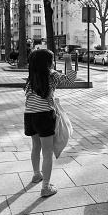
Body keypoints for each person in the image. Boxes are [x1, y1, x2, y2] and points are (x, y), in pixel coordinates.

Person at [24, 49, 77, 197]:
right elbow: (70, 80)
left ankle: (36, 174)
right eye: (52, 60)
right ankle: (45, 187)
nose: (53, 62)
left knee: (36, 147)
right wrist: (68, 62)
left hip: (29, 115)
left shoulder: (31, 77)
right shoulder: (52, 75)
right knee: (47, 152)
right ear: (48, 63)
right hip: (44, 116)